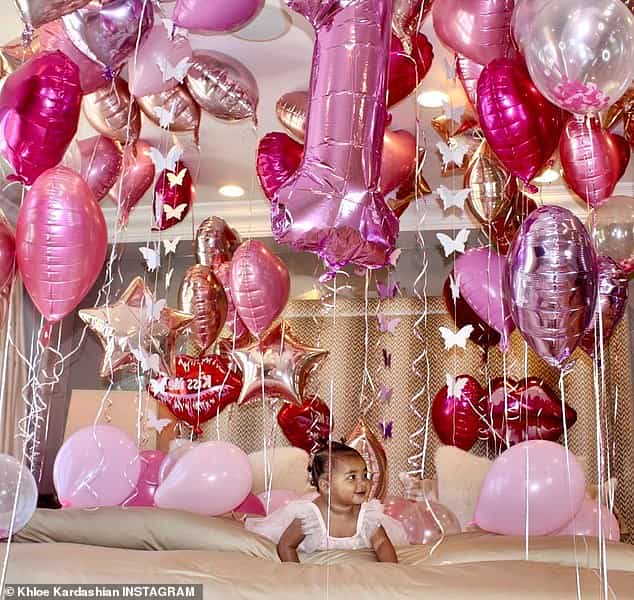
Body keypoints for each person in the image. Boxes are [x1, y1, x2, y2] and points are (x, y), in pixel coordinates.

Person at [245, 441, 408, 562]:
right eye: (352, 477)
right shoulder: (310, 517)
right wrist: (296, 573)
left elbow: (381, 543)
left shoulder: (367, 516)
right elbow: (286, 545)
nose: (363, 483)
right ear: (326, 486)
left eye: (365, 475)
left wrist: (391, 570)